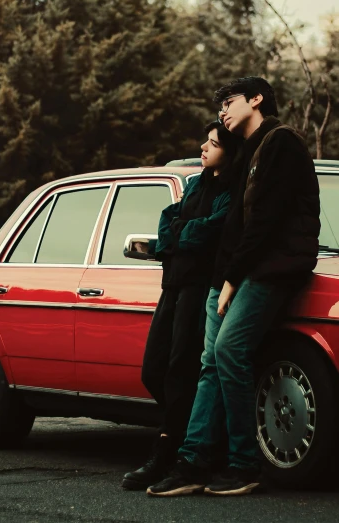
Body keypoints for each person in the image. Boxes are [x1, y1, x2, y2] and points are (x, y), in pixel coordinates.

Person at [148, 76, 320, 497]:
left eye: (230, 101)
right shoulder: (246, 153)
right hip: (229, 273)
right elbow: (232, 222)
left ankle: (244, 464)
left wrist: (230, 279)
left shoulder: (281, 142)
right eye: (219, 103)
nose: (222, 109)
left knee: (229, 351)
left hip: (269, 270)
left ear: (257, 99)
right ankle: (194, 462)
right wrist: (220, 276)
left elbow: (266, 221)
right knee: (211, 362)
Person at [121, 120, 240, 490]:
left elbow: (210, 230)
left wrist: (179, 235)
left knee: (180, 373)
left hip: (199, 287)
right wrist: (181, 234)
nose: (203, 147)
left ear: (230, 151)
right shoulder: (194, 184)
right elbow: (169, 221)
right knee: (154, 370)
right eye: (205, 141)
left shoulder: (231, 191)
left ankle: (168, 453)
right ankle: (181, 437)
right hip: (171, 285)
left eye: (213, 143)